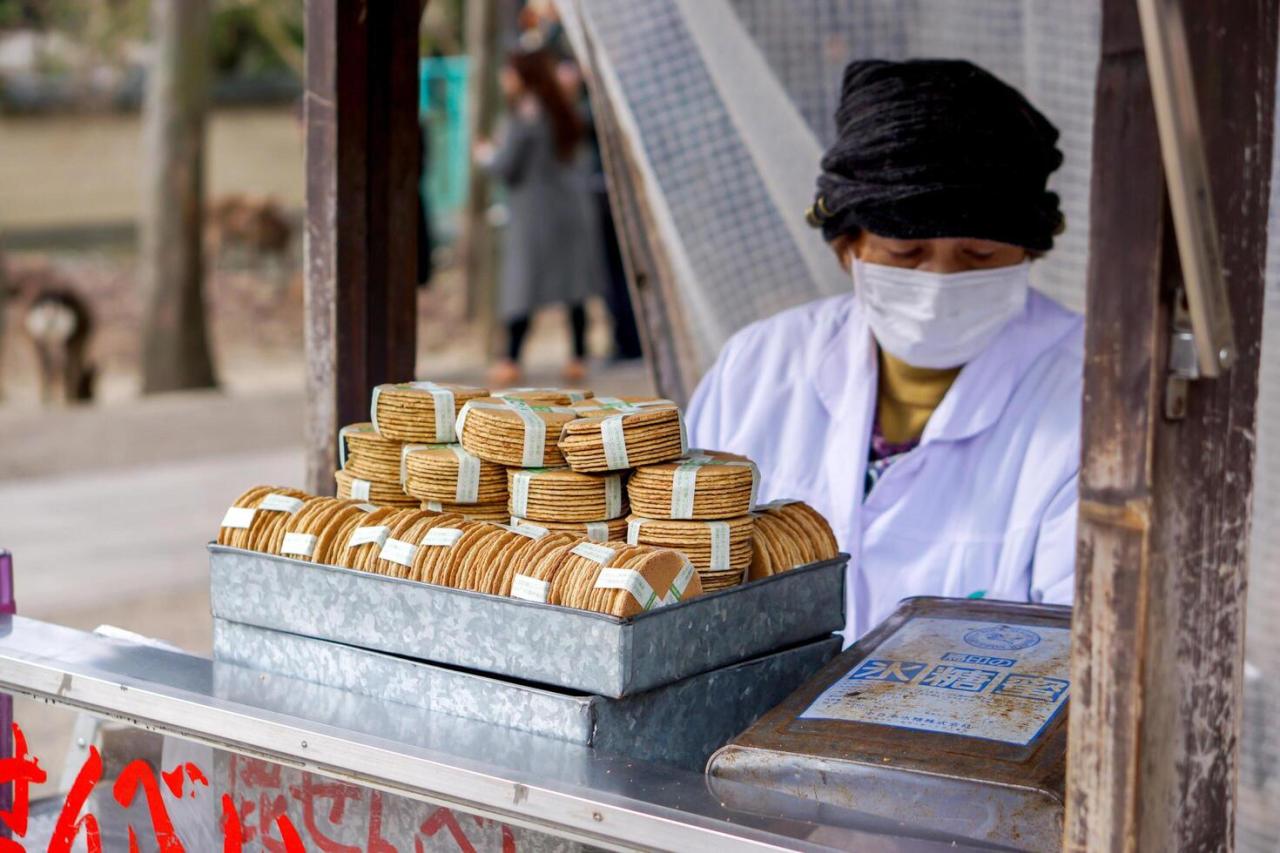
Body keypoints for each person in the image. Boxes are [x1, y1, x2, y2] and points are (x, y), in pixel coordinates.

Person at [686, 59, 1082, 643]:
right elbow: (681, 572)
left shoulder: (1089, 397)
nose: (940, 282)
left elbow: (1087, 654)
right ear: (848, 248)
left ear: (1027, 254)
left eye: (979, 257)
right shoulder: (757, 369)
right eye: (905, 253)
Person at [474, 41, 603, 387]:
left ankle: (511, 358)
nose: (505, 77)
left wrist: (485, 154)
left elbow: (506, 166)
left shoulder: (526, 112)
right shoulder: (561, 106)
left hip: (535, 214)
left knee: (522, 285)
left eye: (509, 71)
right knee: (572, 286)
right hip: (571, 209)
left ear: (521, 75)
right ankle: (578, 356)